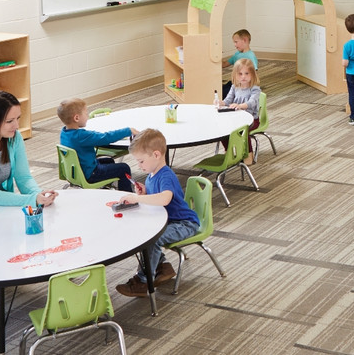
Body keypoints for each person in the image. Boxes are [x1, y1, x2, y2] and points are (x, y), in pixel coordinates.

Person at [114, 129, 197, 297]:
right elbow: (157, 197)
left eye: (141, 161)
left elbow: (165, 199)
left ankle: (144, 281)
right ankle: (162, 267)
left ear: (157, 155)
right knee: (142, 233)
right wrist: (144, 192)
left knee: (152, 239)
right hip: (167, 221)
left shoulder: (166, 175)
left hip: (184, 223)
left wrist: (138, 199)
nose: (139, 166)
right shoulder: (152, 174)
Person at [57, 98, 138, 192]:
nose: (87, 116)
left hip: (77, 171)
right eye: (86, 113)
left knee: (109, 160)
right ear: (76, 118)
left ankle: (105, 187)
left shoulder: (64, 133)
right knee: (124, 168)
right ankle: (126, 196)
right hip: (90, 173)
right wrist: (128, 131)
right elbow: (105, 138)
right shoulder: (81, 136)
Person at [217, 59, 263, 164]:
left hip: (252, 120)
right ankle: (229, 151)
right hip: (236, 118)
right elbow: (228, 100)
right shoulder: (234, 87)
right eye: (240, 74)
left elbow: (251, 102)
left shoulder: (255, 89)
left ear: (252, 74)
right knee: (223, 130)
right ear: (235, 75)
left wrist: (240, 106)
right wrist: (221, 103)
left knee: (243, 131)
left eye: (247, 73)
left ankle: (248, 155)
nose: (243, 77)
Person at [221, 29, 258, 98]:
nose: (235, 45)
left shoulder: (250, 56)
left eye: (236, 42)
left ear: (244, 40)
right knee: (219, 90)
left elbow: (254, 74)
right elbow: (224, 64)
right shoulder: (237, 54)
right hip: (234, 82)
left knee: (222, 94)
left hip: (242, 86)